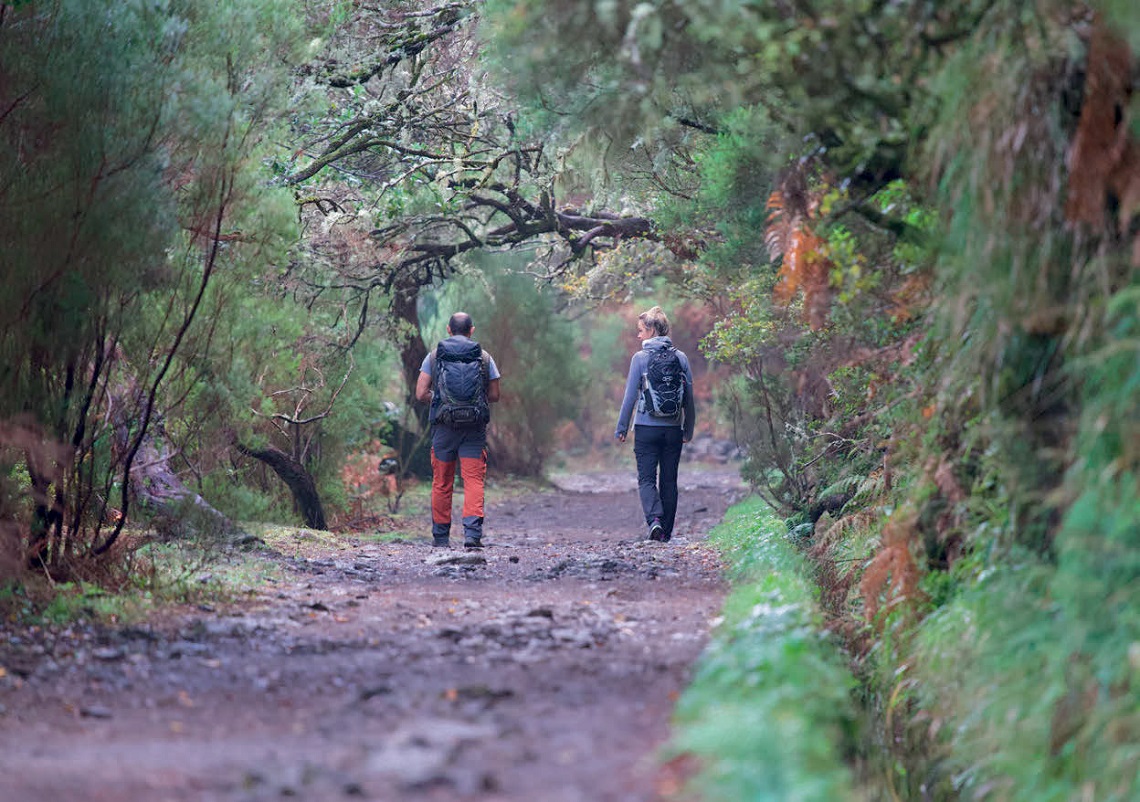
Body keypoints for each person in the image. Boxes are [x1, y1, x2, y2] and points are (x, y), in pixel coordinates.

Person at [415, 312, 501, 548]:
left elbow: (421, 393)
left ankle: (441, 538)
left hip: (444, 429)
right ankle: (472, 537)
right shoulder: (484, 358)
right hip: (473, 430)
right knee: (473, 480)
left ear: (448, 329)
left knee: (442, 481)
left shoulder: (434, 357)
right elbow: (494, 395)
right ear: (471, 330)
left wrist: (442, 401)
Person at [614, 305, 696, 542]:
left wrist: (621, 428)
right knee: (669, 480)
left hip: (645, 429)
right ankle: (666, 533)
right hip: (673, 430)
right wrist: (688, 429)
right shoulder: (680, 358)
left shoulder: (640, 359)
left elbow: (630, 396)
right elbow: (689, 399)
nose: (638, 335)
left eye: (640, 330)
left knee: (647, 478)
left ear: (651, 331)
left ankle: (655, 521)